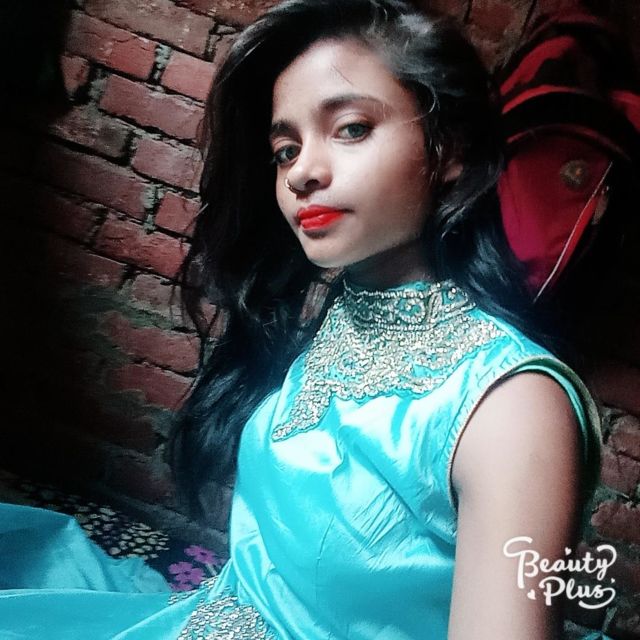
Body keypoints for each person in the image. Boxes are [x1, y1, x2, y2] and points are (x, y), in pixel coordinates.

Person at [0, 0, 611, 638]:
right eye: (285, 150)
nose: (302, 174)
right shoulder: (342, 313)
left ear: (449, 149)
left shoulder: (512, 408)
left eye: (350, 128)